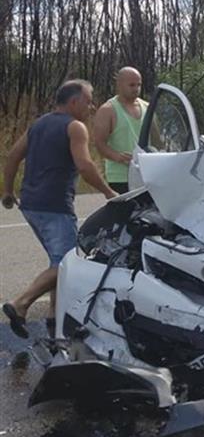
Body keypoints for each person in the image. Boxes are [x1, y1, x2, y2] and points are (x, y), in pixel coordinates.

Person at [2, 80, 118, 339]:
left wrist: (8, 191)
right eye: (88, 101)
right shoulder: (74, 127)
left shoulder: (38, 124)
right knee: (68, 263)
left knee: (58, 260)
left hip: (30, 204)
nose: (92, 106)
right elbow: (85, 166)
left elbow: (12, 156)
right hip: (54, 206)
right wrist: (109, 192)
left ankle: (55, 316)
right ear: (74, 102)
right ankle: (21, 303)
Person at [93, 67, 148, 194]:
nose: (136, 89)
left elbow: (158, 140)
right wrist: (117, 156)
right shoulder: (108, 110)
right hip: (120, 176)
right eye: (132, 85)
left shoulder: (148, 108)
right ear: (119, 84)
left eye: (139, 85)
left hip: (146, 173)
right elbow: (99, 143)